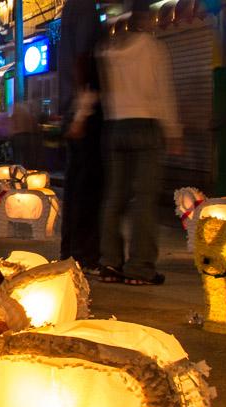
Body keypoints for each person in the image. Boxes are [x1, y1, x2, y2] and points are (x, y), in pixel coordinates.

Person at [97, 0, 182, 285]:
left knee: (114, 198)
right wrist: (173, 130)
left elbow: (105, 92)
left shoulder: (108, 49)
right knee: (144, 199)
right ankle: (140, 268)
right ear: (147, 18)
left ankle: (109, 263)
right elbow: (162, 91)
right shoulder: (152, 48)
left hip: (116, 127)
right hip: (146, 126)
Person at [58, 0, 103, 274]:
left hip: (74, 109)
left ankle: (71, 251)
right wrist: (83, 111)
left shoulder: (71, 9)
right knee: (87, 188)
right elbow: (82, 60)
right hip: (84, 112)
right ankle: (83, 254)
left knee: (77, 186)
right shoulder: (84, 9)